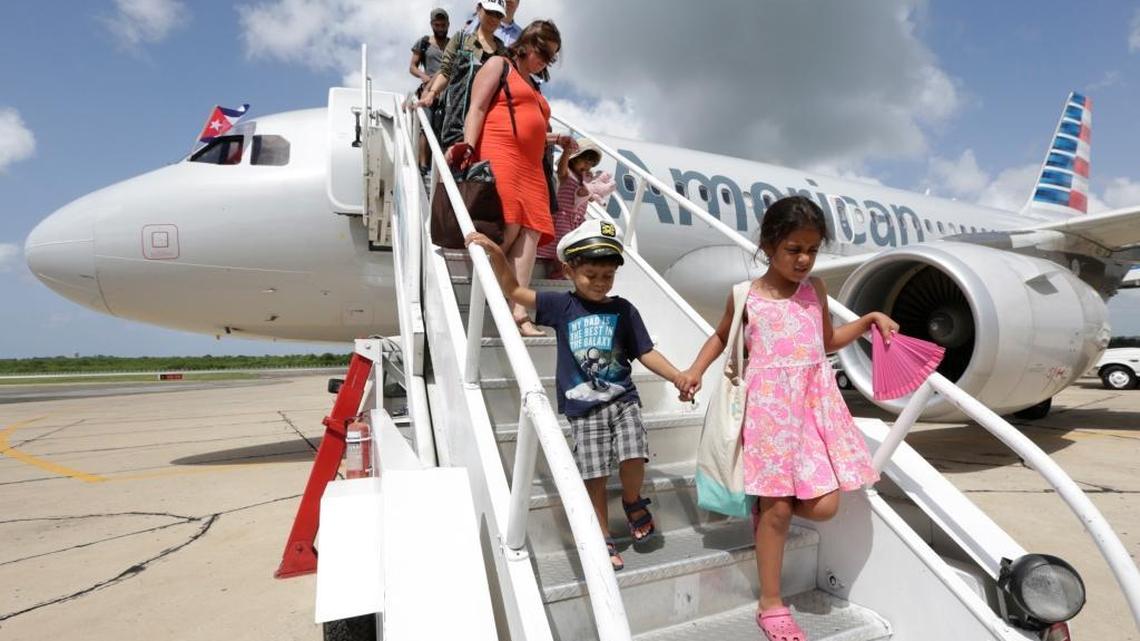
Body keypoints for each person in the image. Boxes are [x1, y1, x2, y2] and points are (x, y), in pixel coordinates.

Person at [675, 196, 895, 641]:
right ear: (769, 244)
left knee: (825, 505)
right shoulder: (745, 297)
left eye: (812, 250)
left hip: (812, 411)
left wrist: (870, 319)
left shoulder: (815, 291)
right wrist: (695, 371)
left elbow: (828, 340)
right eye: (794, 248)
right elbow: (720, 338)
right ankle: (771, 602)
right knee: (777, 510)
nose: (803, 259)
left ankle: (763, 511)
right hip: (766, 416)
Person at [467, 220, 692, 571]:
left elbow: (645, 352)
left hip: (623, 399)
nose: (601, 283)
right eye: (592, 275)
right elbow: (514, 291)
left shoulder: (623, 310)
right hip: (583, 407)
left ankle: (633, 502)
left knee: (634, 454)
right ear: (569, 271)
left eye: (608, 275)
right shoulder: (560, 306)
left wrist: (678, 375)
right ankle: (602, 534)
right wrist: (498, 255)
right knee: (594, 475)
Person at [446, 20, 572, 337]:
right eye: (543, 51)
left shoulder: (534, 86)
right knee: (510, 227)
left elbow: (534, 130)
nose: (545, 59)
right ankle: (493, 300)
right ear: (526, 43)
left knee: (532, 234)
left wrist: (556, 139)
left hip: (533, 168)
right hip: (502, 154)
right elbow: (476, 107)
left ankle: (520, 313)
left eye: (551, 56)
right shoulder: (499, 65)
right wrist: (469, 147)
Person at [536, 139, 616, 278]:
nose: (588, 165)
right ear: (575, 158)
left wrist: (590, 195)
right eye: (585, 160)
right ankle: (558, 273)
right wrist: (567, 151)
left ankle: (560, 271)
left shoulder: (585, 179)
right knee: (565, 246)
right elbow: (561, 169)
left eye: (591, 162)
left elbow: (587, 195)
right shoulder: (567, 174)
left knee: (573, 246)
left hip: (577, 220)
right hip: (563, 217)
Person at [416, 0, 508, 112]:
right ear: (479, 9)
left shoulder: (503, 51)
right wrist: (432, 94)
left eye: (498, 15)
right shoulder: (460, 39)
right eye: (489, 12)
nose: (493, 18)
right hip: (457, 116)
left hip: (489, 117)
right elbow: (445, 71)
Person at [409, 8, 450, 172]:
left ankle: (441, 167)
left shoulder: (452, 44)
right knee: (426, 125)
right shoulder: (424, 42)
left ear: (448, 24)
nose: (440, 27)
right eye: (437, 24)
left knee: (445, 127)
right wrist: (423, 75)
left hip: (448, 90)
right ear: (432, 24)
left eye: (443, 24)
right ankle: (423, 166)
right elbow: (412, 67)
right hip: (428, 89)